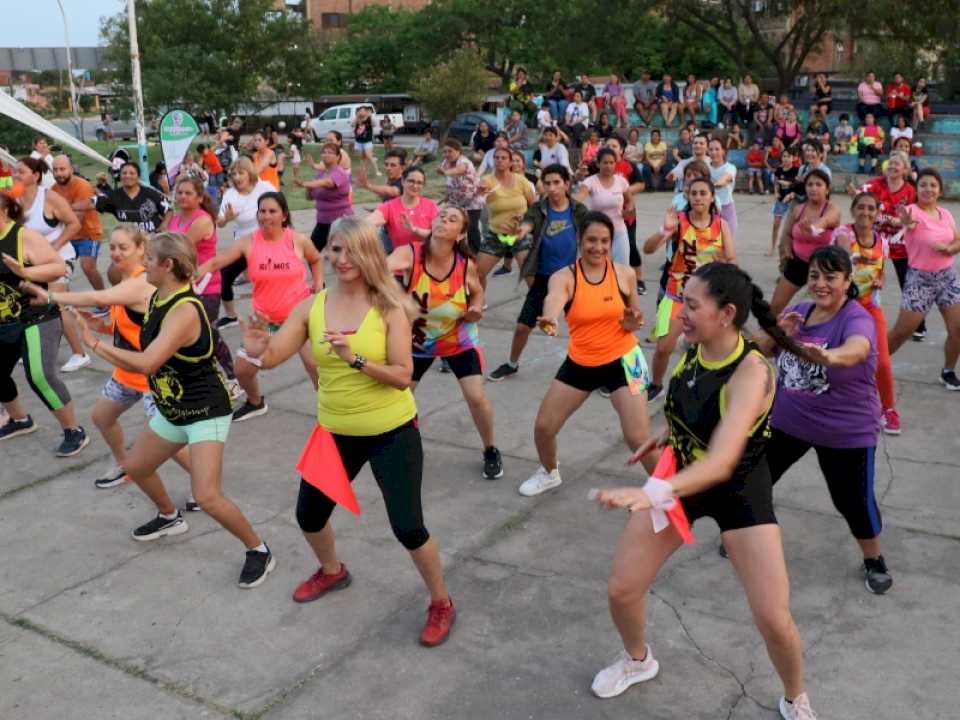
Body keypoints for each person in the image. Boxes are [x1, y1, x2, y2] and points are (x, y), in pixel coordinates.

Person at [591, 262, 819, 720]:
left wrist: (650, 492)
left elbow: (721, 461)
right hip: (682, 477)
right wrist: (665, 433)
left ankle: (795, 695)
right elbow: (689, 401)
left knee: (774, 619)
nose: (681, 313)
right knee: (622, 589)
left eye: (692, 305)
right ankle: (638, 660)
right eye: (682, 302)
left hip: (738, 490)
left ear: (726, 312)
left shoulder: (751, 373)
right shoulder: (698, 346)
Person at [239, 216, 456, 644]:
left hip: (391, 429)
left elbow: (401, 374)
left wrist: (355, 358)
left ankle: (441, 602)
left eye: (352, 249)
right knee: (309, 515)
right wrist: (256, 349)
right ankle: (333, 572)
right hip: (335, 431)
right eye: (336, 249)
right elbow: (276, 354)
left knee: (408, 526)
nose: (342, 258)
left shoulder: (388, 307)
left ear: (369, 253)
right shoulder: (312, 305)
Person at [71, 231, 274, 587]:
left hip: (204, 411)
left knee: (208, 496)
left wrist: (94, 345)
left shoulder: (184, 310)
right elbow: (145, 341)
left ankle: (258, 549)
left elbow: (148, 362)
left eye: (149, 259)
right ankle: (169, 516)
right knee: (136, 465)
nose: (142, 263)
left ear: (167, 266)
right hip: (172, 407)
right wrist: (100, 325)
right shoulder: (156, 299)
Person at [20, 225, 195, 492]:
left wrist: (50, 295)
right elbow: (134, 325)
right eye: (112, 247)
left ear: (141, 250)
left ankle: (202, 484)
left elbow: (96, 296)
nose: (115, 253)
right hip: (127, 372)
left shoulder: (142, 282)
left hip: (152, 376)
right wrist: (101, 326)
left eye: (123, 247)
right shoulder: (125, 281)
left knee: (167, 443)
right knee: (102, 417)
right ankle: (125, 465)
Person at [763, 246, 894, 597]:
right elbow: (759, 350)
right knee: (755, 479)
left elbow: (858, 348)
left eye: (831, 277)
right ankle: (747, 534)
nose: (821, 284)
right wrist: (778, 333)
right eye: (815, 276)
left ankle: (874, 558)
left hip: (844, 431)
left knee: (852, 500)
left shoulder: (855, 317)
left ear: (848, 281)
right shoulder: (798, 311)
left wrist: (829, 356)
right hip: (787, 423)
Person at [519, 211, 651, 497]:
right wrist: (550, 317)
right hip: (582, 362)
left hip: (626, 359)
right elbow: (554, 298)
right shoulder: (565, 277)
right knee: (544, 427)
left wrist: (633, 323)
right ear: (579, 240)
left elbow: (636, 317)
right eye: (591, 240)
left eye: (605, 241)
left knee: (638, 437)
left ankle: (669, 491)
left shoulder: (624, 273)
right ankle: (549, 472)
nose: (598, 247)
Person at [386, 207, 502, 477]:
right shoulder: (410, 254)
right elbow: (379, 271)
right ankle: (402, 449)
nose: (443, 220)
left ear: (460, 234)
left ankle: (490, 449)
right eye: (440, 216)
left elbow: (478, 292)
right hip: (418, 340)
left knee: (476, 396)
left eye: (452, 219)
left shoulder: (465, 265)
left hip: (458, 339)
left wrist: (476, 307)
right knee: (399, 398)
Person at [197, 192, 324, 421]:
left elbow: (316, 259)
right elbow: (217, 262)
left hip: (299, 318)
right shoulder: (249, 242)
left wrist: (318, 282)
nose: (266, 216)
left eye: (272, 211)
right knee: (242, 370)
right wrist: (193, 275)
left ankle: (330, 412)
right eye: (262, 211)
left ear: (284, 215)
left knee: (315, 366)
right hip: (264, 321)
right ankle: (255, 403)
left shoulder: (297, 240)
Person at [0, 193, 89, 456]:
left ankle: (74, 430)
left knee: (39, 374)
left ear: (4, 210)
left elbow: (57, 267)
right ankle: (20, 420)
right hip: (4, 322)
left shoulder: (22, 237)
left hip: (36, 316)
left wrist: (25, 272)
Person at [486, 165, 588, 382]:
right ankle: (512, 364)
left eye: (556, 182)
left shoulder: (578, 210)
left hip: (573, 277)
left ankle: (597, 367)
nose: (552, 188)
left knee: (585, 325)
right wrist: (518, 231)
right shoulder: (538, 209)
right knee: (523, 326)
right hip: (543, 277)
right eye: (547, 183)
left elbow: (592, 234)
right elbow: (527, 225)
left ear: (566, 184)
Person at [644, 178, 735, 399]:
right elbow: (647, 249)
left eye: (703, 193)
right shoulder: (679, 221)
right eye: (694, 193)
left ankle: (703, 387)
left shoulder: (720, 225)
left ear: (713, 197)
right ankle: (655, 385)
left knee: (707, 348)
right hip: (676, 295)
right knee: (664, 347)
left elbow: (731, 259)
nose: (698, 198)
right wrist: (665, 230)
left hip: (706, 299)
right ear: (688, 196)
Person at [167, 175, 240, 400]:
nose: (182, 196)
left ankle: (233, 379)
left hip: (205, 285)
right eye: (179, 192)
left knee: (208, 333)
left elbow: (177, 248)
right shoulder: (175, 218)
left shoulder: (202, 220)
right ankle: (202, 378)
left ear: (199, 197)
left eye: (188, 193)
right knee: (188, 334)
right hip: (183, 284)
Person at [886, 169, 960, 390]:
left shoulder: (945, 214)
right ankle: (870, 367)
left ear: (940, 190)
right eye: (924, 185)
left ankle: (948, 372)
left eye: (933, 185)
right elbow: (904, 222)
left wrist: (949, 249)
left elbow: (958, 240)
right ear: (916, 190)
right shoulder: (911, 212)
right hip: (920, 280)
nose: (928, 189)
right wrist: (904, 221)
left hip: (947, 277)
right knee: (901, 332)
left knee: (958, 329)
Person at [833, 193, 900, 434]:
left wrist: (881, 280)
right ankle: (836, 405)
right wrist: (851, 258)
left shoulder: (882, 241)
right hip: (842, 307)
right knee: (840, 359)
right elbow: (841, 253)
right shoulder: (844, 233)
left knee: (881, 360)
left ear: (877, 213)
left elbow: (881, 271)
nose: (866, 212)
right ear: (853, 211)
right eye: (860, 207)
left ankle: (889, 409)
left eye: (871, 208)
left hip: (871, 306)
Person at [17, 156, 88, 372]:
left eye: (20, 172)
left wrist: (54, 246)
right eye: (14, 171)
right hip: (33, 263)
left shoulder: (50, 198)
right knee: (28, 303)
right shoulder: (15, 199)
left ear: (35, 176)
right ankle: (35, 347)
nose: (15, 175)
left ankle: (80, 354)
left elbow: (74, 224)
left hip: (60, 259)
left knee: (56, 305)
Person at [847, 150, 920, 340]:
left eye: (898, 164)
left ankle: (918, 324)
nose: (893, 166)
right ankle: (861, 315)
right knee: (868, 277)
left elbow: (913, 220)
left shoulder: (910, 191)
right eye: (891, 163)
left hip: (900, 244)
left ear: (905, 170)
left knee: (908, 285)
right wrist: (855, 192)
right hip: (877, 241)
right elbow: (861, 195)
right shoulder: (875, 183)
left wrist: (899, 222)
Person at [214, 157, 276, 329]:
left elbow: (280, 208)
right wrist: (226, 219)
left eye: (240, 173)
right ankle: (230, 316)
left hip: (268, 241)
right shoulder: (230, 194)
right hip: (244, 243)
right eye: (233, 174)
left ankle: (274, 315)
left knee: (268, 279)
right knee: (225, 276)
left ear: (250, 173)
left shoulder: (264, 187)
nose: (236, 177)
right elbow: (219, 222)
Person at [771, 169, 841, 314]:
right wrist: (787, 250)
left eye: (818, 184)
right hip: (798, 263)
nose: (813, 188)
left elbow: (826, 221)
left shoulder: (832, 209)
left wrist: (813, 228)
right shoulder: (798, 209)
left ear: (827, 189)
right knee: (774, 307)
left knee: (824, 311)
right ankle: (770, 334)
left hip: (824, 267)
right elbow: (787, 234)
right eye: (809, 184)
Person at [475, 147, 536, 287]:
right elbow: (480, 191)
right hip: (496, 234)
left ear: (510, 163)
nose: (499, 160)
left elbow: (534, 207)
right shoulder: (487, 180)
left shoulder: (521, 181)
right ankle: (478, 303)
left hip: (520, 234)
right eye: (496, 157)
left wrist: (524, 216)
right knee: (477, 274)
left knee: (530, 274)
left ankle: (538, 306)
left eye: (503, 158)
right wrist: (480, 190)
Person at [51, 155, 106, 297]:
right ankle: (66, 305)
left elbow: (76, 220)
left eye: (62, 169)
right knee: (57, 269)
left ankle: (105, 301)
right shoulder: (53, 190)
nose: (58, 173)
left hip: (89, 233)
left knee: (88, 267)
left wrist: (60, 214)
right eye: (55, 170)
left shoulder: (83, 186)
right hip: (68, 236)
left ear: (71, 169)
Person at [574, 148, 632, 266]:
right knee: (596, 266)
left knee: (622, 266)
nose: (608, 166)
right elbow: (578, 197)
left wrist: (629, 211)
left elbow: (630, 201)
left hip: (619, 230)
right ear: (598, 164)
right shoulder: (590, 182)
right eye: (605, 163)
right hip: (597, 233)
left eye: (612, 163)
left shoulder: (621, 181)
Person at [367, 166, 439, 252]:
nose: (415, 186)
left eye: (419, 183)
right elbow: (370, 221)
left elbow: (437, 235)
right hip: (401, 259)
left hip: (426, 257)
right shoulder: (389, 206)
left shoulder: (431, 206)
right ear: (402, 181)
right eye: (411, 181)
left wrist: (414, 230)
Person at [297, 142, 353, 253]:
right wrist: (309, 188)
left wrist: (306, 183)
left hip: (340, 221)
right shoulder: (321, 174)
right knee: (311, 251)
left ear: (338, 157)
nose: (325, 154)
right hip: (323, 221)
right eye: (324, 152)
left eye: (330, 152)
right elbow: (309, 197)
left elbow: (328, 183)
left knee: (345, 254)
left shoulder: (339, 172)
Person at [93, 161, 172, 236]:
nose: (127, 176)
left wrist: (164, 225)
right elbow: (92, 203)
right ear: (120, 176)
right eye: (124, 173)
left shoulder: (151, 193)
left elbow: (169, 210)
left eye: (132, 173)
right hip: (129, 240)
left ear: (138, 176)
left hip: (152, 238)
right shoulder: (113, 195)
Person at [437, 139, 484, 254]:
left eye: (450, 151)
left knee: (472, 228)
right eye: (445, 152)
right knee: (454, 226)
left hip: (473, 201)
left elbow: (459, 170)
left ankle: (476, 254)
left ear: (459, 152)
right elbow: (450, 182)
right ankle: (456, 252)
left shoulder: (464, 162)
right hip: (456, 201)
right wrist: (446, 197)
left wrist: (445, 172)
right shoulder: (446, 162)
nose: (447, 154)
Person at [769, 147, 799, 255]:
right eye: (784, 156)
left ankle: (791, 249)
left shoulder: (796, 170)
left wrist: (788, 185)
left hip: (792, 201)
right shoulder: (779, 170)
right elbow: (776, 183)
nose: (786, 159)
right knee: (776, 224)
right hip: (780, 201)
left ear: (793, 158)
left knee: (791, 227)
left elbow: (795, 184)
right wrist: (776, 192)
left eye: (788, 156)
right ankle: (772, 248)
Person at [708, 138, 739, 235]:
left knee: (727, 246)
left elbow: (726, 178)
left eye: (717, 149)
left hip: (727, 210)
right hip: (709, 210)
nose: (714, 152)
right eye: (711, 149)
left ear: (723, 151)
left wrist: (717, 184)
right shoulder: (705, 166)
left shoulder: (730, 167)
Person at [353, 106, 380, 176]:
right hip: (358, 142)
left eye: (363, 111)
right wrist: (356, 116)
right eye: (360, 111)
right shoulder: (357, 119)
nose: (361, 112)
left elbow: (374, 124)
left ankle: (377, 171)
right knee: (362, 158)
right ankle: (364, 170)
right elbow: (352, 125)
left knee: (369, 156)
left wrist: (370, 116)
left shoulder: (369, 119)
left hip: (367, 141)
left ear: (366, 112)